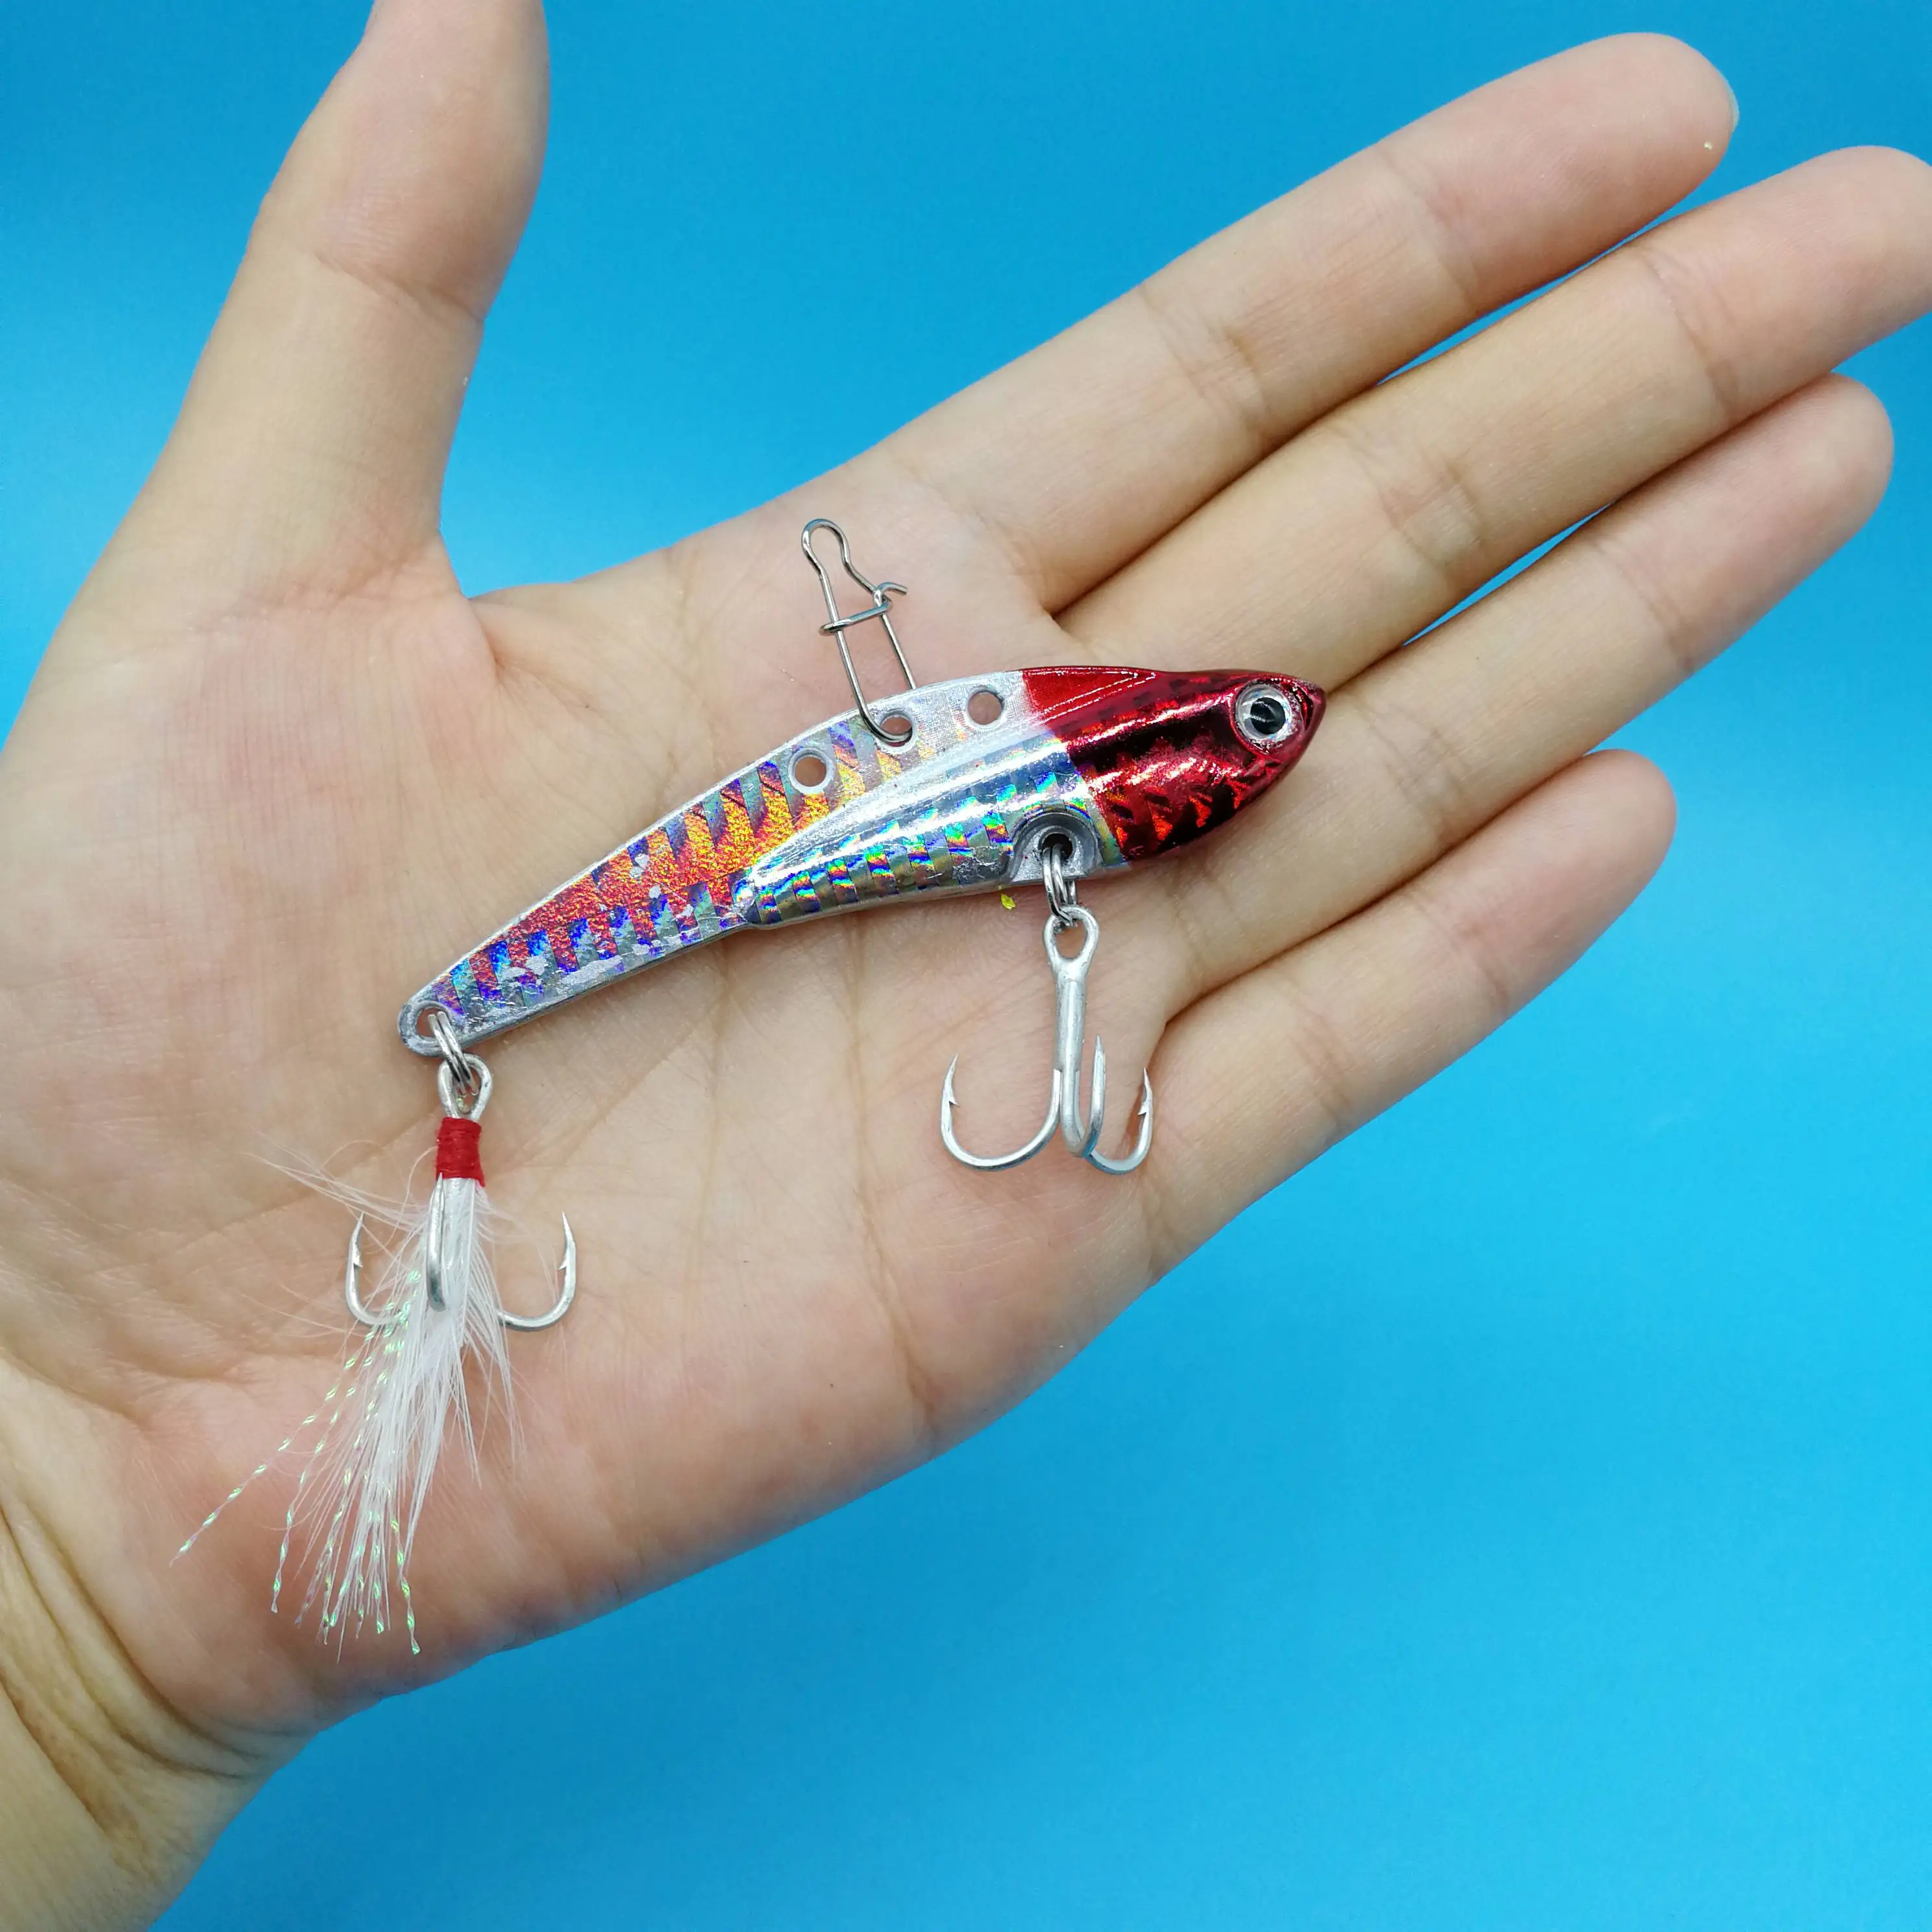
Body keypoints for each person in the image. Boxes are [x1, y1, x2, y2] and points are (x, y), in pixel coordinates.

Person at [1, 4, 1927, 1925]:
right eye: (1258, 723)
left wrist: (69, 1660)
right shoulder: (1081, 764)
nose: (1273, 734)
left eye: (1262, 727)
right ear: (1188, 740)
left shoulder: (1124, 775)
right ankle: (474, 1019)